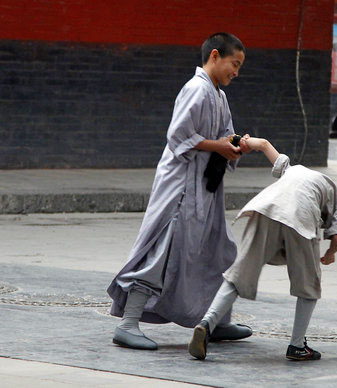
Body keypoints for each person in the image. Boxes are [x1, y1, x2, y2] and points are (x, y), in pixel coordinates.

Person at [107, 33, 253, 350]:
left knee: (216, 247)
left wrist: (235, 144)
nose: (236, 73)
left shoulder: (218, 95)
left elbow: (223, 134)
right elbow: (178, 136)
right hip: (181, 188)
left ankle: (216, 320)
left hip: (205, 187)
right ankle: (128, 323)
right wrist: (219, 146)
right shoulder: (196, 89)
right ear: (215, 56)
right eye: (234, 64)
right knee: (164, 248)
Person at [188, 136, 337, 361]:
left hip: (266, 208)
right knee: (309, 286)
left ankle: (207, 323)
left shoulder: (293, 170)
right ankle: (297, 346)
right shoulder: (335, 196)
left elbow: (264, 144)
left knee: (239, 274)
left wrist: (246, 142)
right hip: (301, 214)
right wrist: (330, 254)